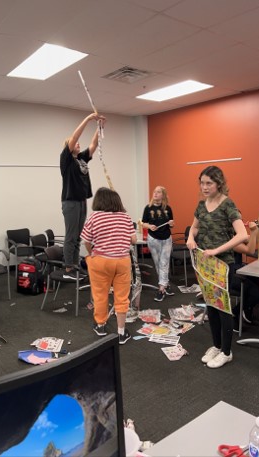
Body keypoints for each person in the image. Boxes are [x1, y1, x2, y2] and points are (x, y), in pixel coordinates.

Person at [186, 166, 249, 369]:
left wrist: (216, 250)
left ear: (219, 184)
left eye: (209, 183)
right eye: (202, 183)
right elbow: (195, 227)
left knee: (223, 308)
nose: (204, 187)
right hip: (205, 264)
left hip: (223, 264)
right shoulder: (201, 205)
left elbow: (242, 235)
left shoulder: (227, 204)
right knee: (211, 306)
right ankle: (216, 345)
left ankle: (226, 352)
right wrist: (189, 238)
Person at [81, 187, 137, 345]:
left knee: (100, 294)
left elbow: (86, 240)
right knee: (122, 297)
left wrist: (92, 252)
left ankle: (100, 326)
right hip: (122, 261)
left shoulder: (94, 217)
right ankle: (121, 332)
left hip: (100, 261)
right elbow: (133, 240)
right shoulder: (125, 217)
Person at [60, 112, 105, 278]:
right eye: (75, 143)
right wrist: (87, 119)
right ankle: (68, 269)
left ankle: (75, 265)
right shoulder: (66, 159)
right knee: (71, 236)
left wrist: (99, 127)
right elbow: (74, 136)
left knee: (78, 236)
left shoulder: (81, 158)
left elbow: (93, 144)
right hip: (70, 201)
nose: (78, 143)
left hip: (81, 201)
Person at [141, 186, 175, 302]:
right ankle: (166, 284)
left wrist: (171, 223)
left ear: (163, 195)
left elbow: (171, 224)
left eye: (158, 192)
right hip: (153, 239)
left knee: (164, 262)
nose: (155, 194)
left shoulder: (168, 208)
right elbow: (143, 223)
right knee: (158, 263)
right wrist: (149, 226)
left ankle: (161, 289)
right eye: (154, 191)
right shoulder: (148, 208)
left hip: (166, 239)